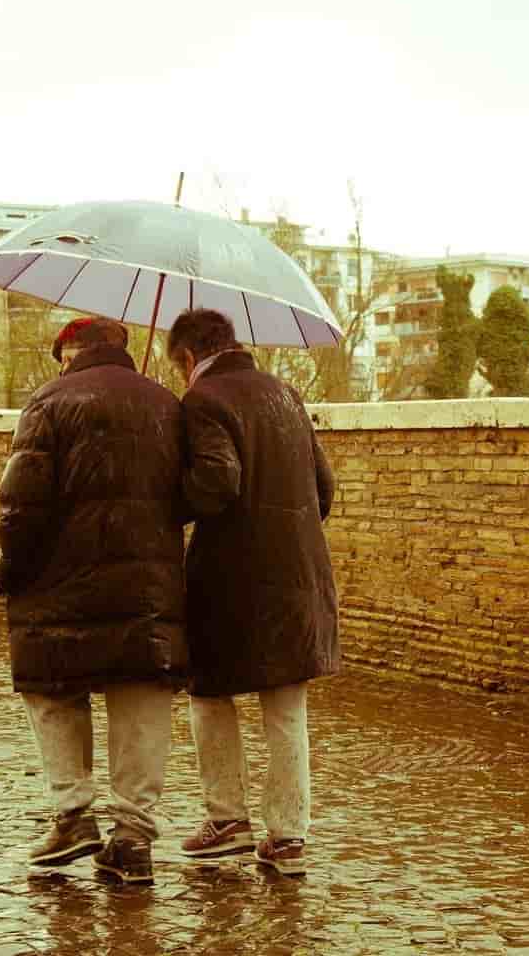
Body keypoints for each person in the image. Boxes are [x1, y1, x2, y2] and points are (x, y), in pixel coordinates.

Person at [0, 316, 187, 886]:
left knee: (53, 690)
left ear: (68, 353)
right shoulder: (166, 404)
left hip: (61, 584)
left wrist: (13, 570)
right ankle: (132, 836)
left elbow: (22, 503)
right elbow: (195, 491)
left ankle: (73, 812)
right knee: (142, 697)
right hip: (148, 585)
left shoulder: (48, 402)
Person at [166, 308, 340, 877]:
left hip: (231, 578)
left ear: (189, 357)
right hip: (297, 573)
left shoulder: (204, 401)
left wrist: (170, 502)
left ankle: (226, 818)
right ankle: (288, 837)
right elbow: (324, 486)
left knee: (208, 694)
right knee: (286, 707)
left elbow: (218, 482)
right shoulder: (285, 393)